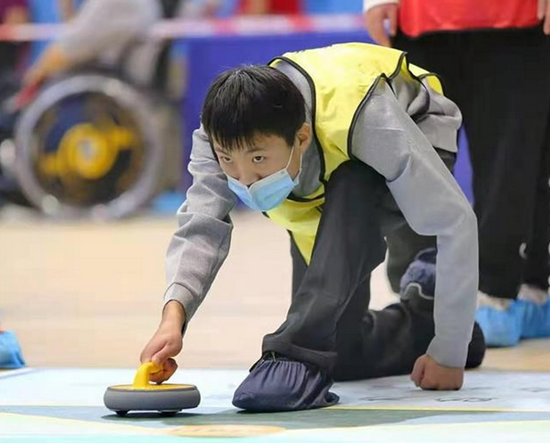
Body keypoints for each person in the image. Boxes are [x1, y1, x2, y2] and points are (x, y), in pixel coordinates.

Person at [140, 42, 486, 412]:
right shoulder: (223, 132)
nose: (246, 180)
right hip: (317, 178)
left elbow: (456, 222)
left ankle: (296, 352)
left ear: (300, 138)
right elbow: (201, 225)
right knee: (342, 351)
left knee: (354, 181)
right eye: (230, 162)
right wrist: (173, 318)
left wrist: (448, 355)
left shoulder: (367, 119)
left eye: (258, 159)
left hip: (413, 130)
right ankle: (427, 314)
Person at [364, 0, 550, 347]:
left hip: (517, 21)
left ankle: (500, 292)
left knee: (513, 161)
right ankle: (419, 291)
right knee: (412, 159)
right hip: (420, 21)